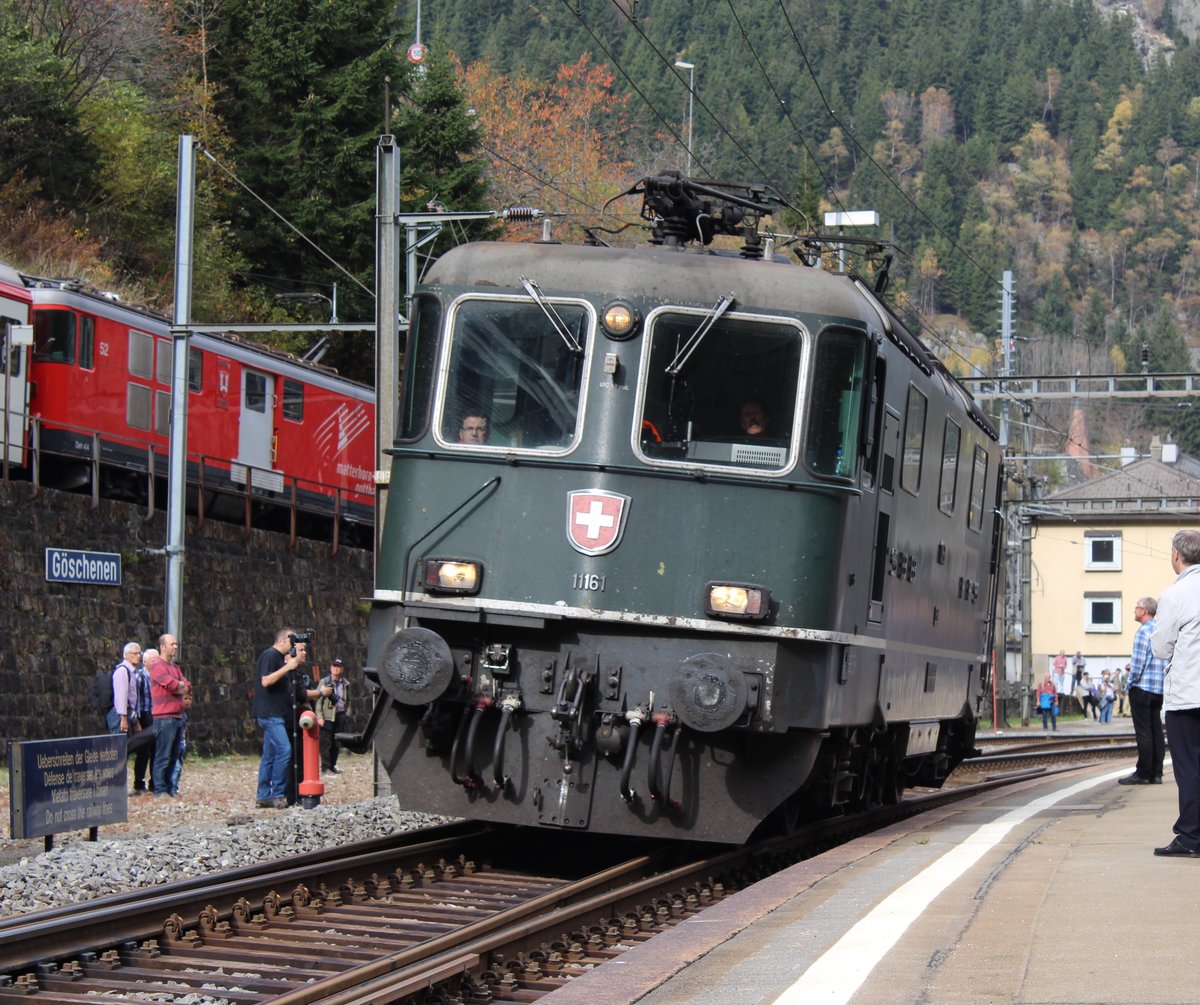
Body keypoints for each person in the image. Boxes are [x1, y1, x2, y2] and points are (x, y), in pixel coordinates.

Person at [1150, 528, 1200, 856]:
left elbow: (1161, 648)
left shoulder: (1175, 595)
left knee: (1189, 767)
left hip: (1188, 695)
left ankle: (1191, 837)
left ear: (1177, 556)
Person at [251, 628, 308, 809]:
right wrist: (287, 667)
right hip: (270, 714)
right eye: (291, 643)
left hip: (277, 713)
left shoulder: (278, 658)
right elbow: (266, 681)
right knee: (284, 750)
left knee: (270, 755)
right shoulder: (270, 655)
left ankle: (263, 795)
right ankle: (277, 793)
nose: (293, 647)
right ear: (282, 641)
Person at [1119, 596, 1167, 785]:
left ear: (1144, 611)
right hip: (1158, 689)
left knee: (1143, 732)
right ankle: (1157, 773)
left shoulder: (1143, 632)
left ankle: (1143, 773)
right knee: (1156, 730)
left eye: (1137, 607)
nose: (1135, 610)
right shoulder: (1161, 631)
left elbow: (1138, 664)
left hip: (1142, 688)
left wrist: (1129, 683)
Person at [147, 634, 190, 798]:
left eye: (176, 644)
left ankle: (170, 788)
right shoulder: (157, 666)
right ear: (162, 647)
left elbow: (187, 685)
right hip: (164, 718)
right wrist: (180, 687)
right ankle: (160, 789)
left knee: (174, 755)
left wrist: (181, 687)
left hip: (178, 717)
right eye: (172, 644)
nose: (176, 647)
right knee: (163, 756)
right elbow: (172, 685)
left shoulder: (175, 667)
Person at [317, 658, 350, 774]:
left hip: (340, 715)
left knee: (336, 742)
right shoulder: (325, 682)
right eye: (334, 666)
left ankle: (332, 765)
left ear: (342, 669)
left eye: (338, 667)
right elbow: (319, 700)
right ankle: (325, 766)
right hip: (328, 716)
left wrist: (346, 714)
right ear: (331, 668)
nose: (336, 669)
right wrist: (320, 716)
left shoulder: (345, 684)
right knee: (326, 742)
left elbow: (348, 700)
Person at [130, 646, 156, 795]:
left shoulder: (158, 677)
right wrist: (136, 720)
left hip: (155, 716)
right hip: (144, 716)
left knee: (156, 751)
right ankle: (139, 784)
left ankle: (154, 783)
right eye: (153, 660)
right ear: (145, 662)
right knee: (143, 752)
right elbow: (135, 700)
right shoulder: (140, 677)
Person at [106, 642, 141, 739]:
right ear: (126, 655)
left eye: (139, 653)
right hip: (120, 715)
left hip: (127, 714)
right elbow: (121, 696)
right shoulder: (122, 671)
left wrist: (135, 720)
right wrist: (123, 719)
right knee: (120, 744)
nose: (138, 656)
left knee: (127, 745)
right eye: (135, 653)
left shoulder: (131, 672)